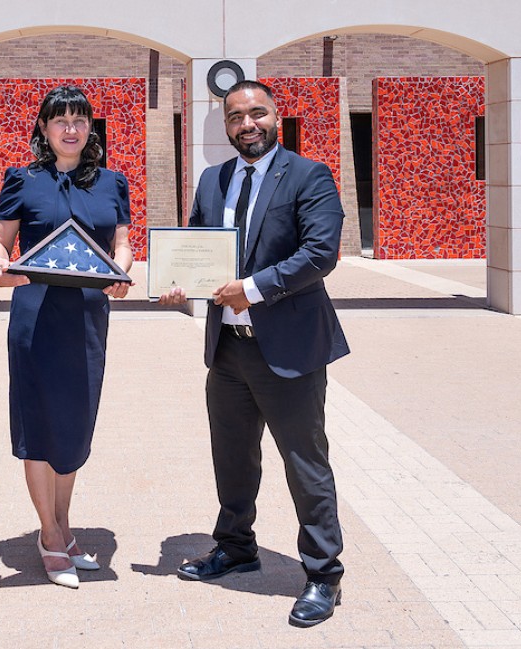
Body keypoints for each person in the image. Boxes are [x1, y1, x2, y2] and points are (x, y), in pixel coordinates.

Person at [160, 80, 349, 627]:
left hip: (288, 349)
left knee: (305, 463)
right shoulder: (213, 179)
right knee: (233, 457)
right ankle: (237, 547)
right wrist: (177, 282)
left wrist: (254, 287)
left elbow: (320, 253)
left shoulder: (308, 175)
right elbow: (195, 244)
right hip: (228, 349)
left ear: (275, 116)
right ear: (225, 125)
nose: (248, 124)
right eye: (236, 116)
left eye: (257, 113)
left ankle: (322, 574)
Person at [0, 85, 133, 589]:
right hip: (35, 315)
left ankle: (65, 528)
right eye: (59, 120)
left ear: (90, 128)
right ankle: (49, 536)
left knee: (74, 423)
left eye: (79, 120)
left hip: (88, 316)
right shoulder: (22, 180)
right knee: (38, 424)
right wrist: (1, 267)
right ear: (44, 130)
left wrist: (122, 273)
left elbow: (123, 245)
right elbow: (0, 244)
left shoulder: (113, 182)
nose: (70, 129)